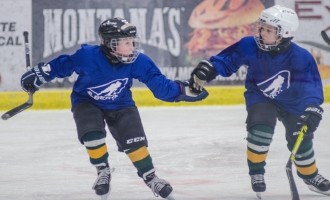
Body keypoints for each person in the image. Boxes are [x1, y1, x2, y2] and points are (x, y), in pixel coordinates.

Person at [20, 17, 208, 200]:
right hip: (87, 101)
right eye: (125, 42)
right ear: (109, 43)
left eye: (132, 42)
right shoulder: (88, 56)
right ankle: (103, 170)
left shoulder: (138, 61)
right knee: (92, 134)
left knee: (135, 141)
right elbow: (62, 65)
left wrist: (184, 91)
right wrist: (39, 75)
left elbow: (160, 87)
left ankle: (151, 177)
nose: (131, 47)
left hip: (121, 104)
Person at [188, 5, 330, 197]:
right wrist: (210, 68)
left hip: (293, 102)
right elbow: (227, 60)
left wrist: (313, 108)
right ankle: (256, 173)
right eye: (261, 27)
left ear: (284, 33)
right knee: (260, 130)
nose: (262, 33)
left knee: (300, 138)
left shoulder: (301, 57)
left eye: (269, 30)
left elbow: (311, 87)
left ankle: (309, 175)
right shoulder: (249, 45)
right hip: (261, 95)